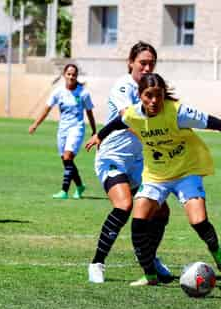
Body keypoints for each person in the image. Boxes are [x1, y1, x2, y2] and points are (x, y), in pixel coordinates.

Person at [86, 73, 221, 286]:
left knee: (198, 221)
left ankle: (216, 250)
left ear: (164, 95)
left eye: (158, 96)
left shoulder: (178, 112)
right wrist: (100, 135)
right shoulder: (133, 114)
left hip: (186, 171)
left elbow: (218, 123)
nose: (154, 101)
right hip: (156, 175)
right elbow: (118, 122)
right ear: (140, 96)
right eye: (148, 96)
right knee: (138, 222)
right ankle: (150, 275)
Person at [87, 42, 174, 284]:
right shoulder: (123, 87)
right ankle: (97, 263)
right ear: (130, 62)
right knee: (124, 205)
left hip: (137, 162)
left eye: (151, 63)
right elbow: (134, 121)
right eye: (142, 63)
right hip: (111, 158)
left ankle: (149, 258)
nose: (147, 67)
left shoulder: (154, 90)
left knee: (161, 210)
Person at [29, 63, 96, 199]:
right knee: (66, 161)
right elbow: (46, 109)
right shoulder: (58, 92)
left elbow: (89, 112)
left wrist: (94, 131)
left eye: (74, 74)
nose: (71, 77)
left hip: (77, 128)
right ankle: (80, 186)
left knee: (67, 156)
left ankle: (64, 191)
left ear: (77, 76)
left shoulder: (83, 93)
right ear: (64, 75)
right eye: (69, 74)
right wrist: (35, 124)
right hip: (63, 129)